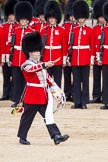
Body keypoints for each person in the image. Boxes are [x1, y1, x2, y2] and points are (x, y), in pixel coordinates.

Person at [17, 31, 69, 145]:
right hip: (32, 96)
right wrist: (44, 64)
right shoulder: (26, 64)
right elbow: (32, 69)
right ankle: (22, 137)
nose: (38, 53)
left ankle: (56, 136)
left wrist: (58, 90)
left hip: (42, 96)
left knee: (48, 115)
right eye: (35, 52)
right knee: (27, 117)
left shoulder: (40, 65)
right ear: (29, 53)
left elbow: (49, 79)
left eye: (38, 51)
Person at [70, 0, 95, 109]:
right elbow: (70, 45)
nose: (80, 20)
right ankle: (77, 102)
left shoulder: (90, 30)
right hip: (75, 58)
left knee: (85, 81)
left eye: (82, 18)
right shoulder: (73, 30)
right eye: (79, 18)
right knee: (76, 81)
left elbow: (92, 45)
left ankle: (84, 102)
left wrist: (92, 58)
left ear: (85, 18)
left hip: (85, 58)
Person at [10, 1, 35, 108]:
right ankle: (17, 100)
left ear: (28, 20)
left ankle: (26, 101)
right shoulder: (15, 31)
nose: (23, 21)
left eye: (25, 20)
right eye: (21, 20)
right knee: (17, 82)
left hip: (26, 60)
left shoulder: (31, 31)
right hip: (16, 59)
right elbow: (12, 46)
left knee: (26, 83)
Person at [40, 0, 68, 88]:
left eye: (53, 18)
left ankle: (58, 98)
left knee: (57, 81)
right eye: (50, 18)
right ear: (48, 18)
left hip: (57, 60)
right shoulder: (44, 30)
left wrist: (63, 60)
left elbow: (64, 46)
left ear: (57, 18)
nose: (52, 20)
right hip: (46, 59)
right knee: (47, 80)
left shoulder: (62, 30)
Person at [0, 0, 18, 101]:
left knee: (14, 77)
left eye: (13, 15)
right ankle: (6, 93)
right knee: (6, 76)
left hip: (14, 56)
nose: (11, 17)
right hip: (5, 56)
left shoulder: (18, 27)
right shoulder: (3, 27)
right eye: (10, 15)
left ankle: (13, 94)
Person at [89, 0, 106, 104]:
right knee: (96, 77)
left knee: (106, 78)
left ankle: (105, 96)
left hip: (105, 57)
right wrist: (93, 57)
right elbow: (92, 43)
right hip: (96, 57)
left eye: (103, 17)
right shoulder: (94, 29)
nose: (102, 19)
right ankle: (96, 96)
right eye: (100, 17)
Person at [62, 0, 78, 102]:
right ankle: (67, 94)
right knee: (67, 75)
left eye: (74, 15)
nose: (72, 18)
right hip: (67, 54)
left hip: (76, 54)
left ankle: (75, 93)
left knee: (76, 76)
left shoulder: (78, 27)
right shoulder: (64, 26)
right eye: (70, 16)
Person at [96, 1, 108, 109]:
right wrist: (99, 57)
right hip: (105, 58)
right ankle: (106, 101)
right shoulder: (104, 30)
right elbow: (100, 45)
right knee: (106, 81)